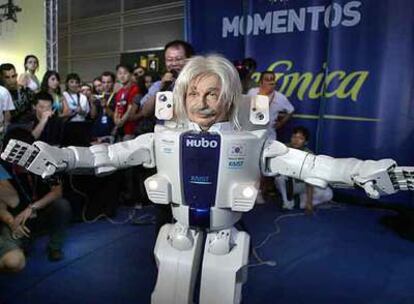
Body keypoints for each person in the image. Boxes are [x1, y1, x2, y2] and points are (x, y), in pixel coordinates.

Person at [2, 55, 412, 304]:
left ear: (229, 97)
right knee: (169, 293)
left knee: (220, 291)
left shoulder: (251, 142)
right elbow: (105, 155)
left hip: (224, 236)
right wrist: (59, 156)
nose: (201, 102)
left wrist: (361, 173)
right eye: (194, 93)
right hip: (177, 229)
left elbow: (311, 166)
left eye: (212, 94)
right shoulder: (160, 137)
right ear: (180, 96)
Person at [1, 128, 72, 262]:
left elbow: (57, 191)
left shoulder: (46, 161)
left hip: (39, 209)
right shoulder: (3, 168)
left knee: (62, 205)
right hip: (17, 215)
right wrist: (11, 222)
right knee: (17, 257)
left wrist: (32, 207)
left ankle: (54, 247)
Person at [274, 126, 333, 212]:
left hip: (302, 185)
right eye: (294, 137)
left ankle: (299, 202)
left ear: (305, 142)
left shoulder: (309, 154)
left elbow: (310, 179)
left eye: (300, 138)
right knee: (279, 176)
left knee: (328, 193)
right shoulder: (282, 149)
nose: (296, 140)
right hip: (286, 184)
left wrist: (309, 202)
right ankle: (286, 201)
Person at [138, 40, 194, 118]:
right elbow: (145, 112)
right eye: (169, 60)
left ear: (189, 60)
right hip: (164, 128)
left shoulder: (197, 81)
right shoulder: (158, 85)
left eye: (178, 59)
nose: (174, 64)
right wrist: (161, 89)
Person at [248, 71, 294, 141]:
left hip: (269, 135)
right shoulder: (252, 92)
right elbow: (258, 116)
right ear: (261, 82)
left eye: (272, 79)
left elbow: (291, 111)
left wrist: (281, 123)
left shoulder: (280, 97)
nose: (270, 82)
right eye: (267, 80)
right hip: (252, 132)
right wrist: (264, 92)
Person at [113, 64, 140, 141]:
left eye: (125, 73)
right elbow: (117, 108)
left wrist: (121, 121)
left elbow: (130, 108)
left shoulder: (135, 89)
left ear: (131, 74)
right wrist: (116, 119)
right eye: (119, 73)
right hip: (119, 130)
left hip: (130, 129)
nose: (122, 76)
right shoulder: (119, 92)